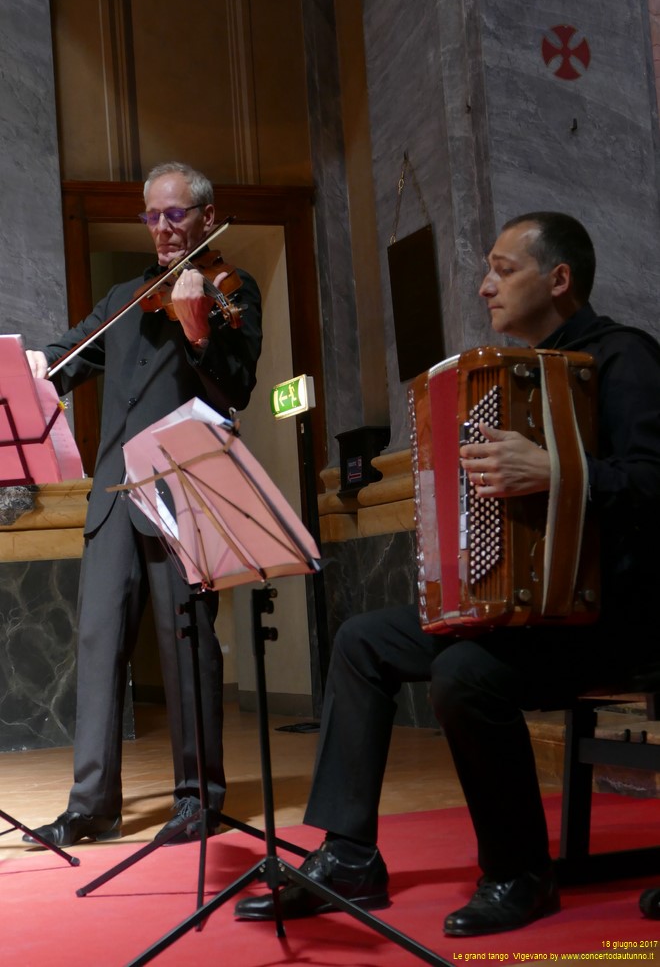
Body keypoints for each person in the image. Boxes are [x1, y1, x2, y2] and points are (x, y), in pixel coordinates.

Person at [233, 211, 660, 936]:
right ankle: (349, 856)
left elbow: (653, 483)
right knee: (363, 641)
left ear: (560, 280)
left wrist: (557, 471)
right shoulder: (502, 378)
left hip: (617, 618)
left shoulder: (626, 359)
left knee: (465, 671)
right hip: (526, 613)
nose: (487, 287)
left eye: (504, 269)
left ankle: (521, 871)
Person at [23, 161, 262, 848]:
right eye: (151, 216)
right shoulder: (125, 297)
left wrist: (197, 334)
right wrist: (34, 367)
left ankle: (197, 797)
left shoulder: (227, 291)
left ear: (206, 219)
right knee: (98, 647)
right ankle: (90, 806)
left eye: (175, 215)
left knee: (185, 642)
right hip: (111, 500)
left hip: (182, 490)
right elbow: (65, 358)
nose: (161, 229)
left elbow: (238, 385)